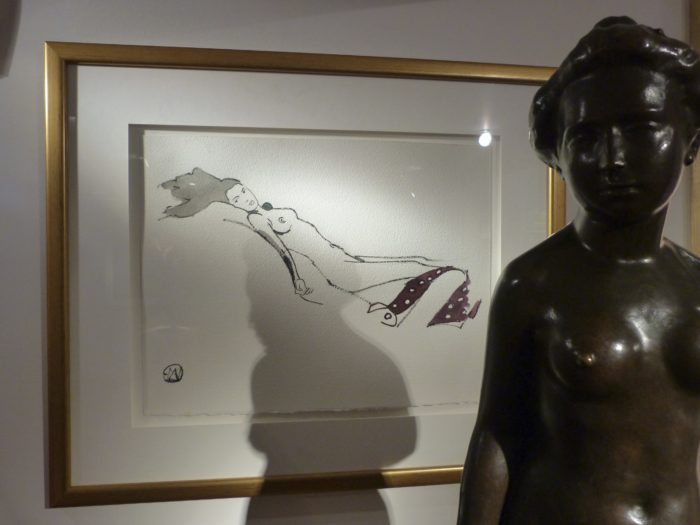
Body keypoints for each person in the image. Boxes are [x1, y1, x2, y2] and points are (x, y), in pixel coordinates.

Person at [457, 17, 700, 524]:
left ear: (690, 140)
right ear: (558, 154)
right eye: (586, 136)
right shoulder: (533, 284)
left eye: (640, 130)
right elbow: (497, 436)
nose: (613, 159)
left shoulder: (695, 282)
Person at [161, 167, 480, 328]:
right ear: (232, 205)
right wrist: (296, 279)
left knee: (397, 268)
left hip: (338, 255)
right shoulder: (258, 220)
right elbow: (282, 251)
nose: (244, 198)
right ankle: (442, 286)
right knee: (399, 269)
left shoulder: (269, 207)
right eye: (236, 199)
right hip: (331, 264)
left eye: (243, 192)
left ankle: (437, 287)